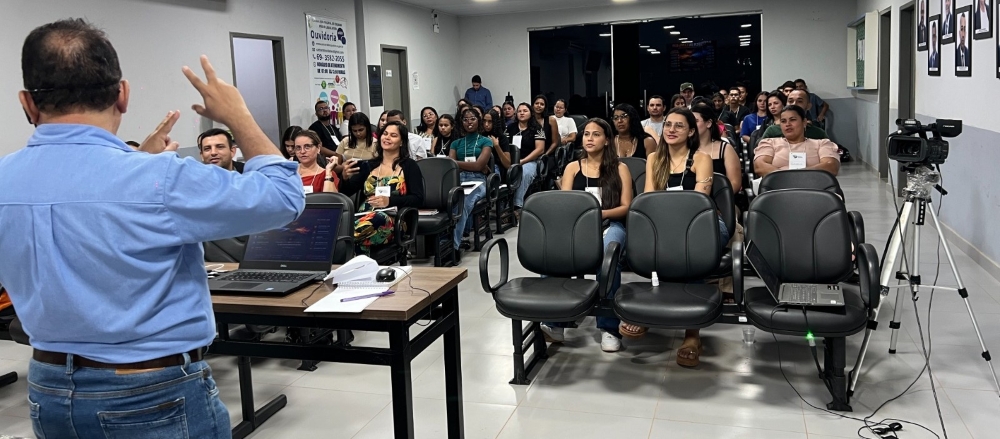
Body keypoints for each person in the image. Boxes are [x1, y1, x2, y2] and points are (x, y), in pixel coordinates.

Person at [0, 19, 305, 438]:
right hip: (151, 393)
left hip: (48, 390)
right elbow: (283, 197)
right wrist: (238, 116)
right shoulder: (160, 179)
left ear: (27, 104)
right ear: (122, 95)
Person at [630, 107, 729, 367]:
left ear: (692, 131)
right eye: (668, 125)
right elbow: (649, 199)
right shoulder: (653, 158)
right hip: (664, 224)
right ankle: (649, 314)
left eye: (679, 126)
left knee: (691, 249)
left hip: (703, 224)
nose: (671, 130)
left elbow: (699, 202)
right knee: (656, 244)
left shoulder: (701, 158)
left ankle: (692, 335)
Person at [540, 118, 632, 353]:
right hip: (578, 227)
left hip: (611, 223)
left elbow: (626, 207)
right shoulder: (573, 167)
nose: (590, 138)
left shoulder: (620, 168)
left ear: (607, 140)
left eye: (596, 134)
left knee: (608, 257)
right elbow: (566, 204)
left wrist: (598, 214)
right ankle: (556, 323)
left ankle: (609, 328)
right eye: (587, 134)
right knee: (555, 256)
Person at [339, 121, 425, 256]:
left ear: (402, 142)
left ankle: (335, 239)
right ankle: (348, 248)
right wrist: (344, 177)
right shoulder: (369, 165)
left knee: (378, 217)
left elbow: (418, 198)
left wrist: (389, 201)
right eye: (385, 134)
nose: (387, 137)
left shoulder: (409, 166)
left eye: (393, 135)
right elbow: (345, 192)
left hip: (393, 220)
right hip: (362, 217)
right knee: (356, 236)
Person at [754, 105, 841, 177]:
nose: (788, 124)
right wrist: (787, 177)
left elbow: (831, 166)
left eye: (793, 120)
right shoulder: (770, 143)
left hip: (814, 188)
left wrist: (798, 175)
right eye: (783, 121)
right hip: (778, 188)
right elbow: (760, 166)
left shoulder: (822, 144)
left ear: (804, 122)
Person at [449, 108, 493, 251]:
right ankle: (448, 239)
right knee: (447, 200)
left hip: (479, 180)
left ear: (478, 121)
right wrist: (469, 166)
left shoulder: (486, 141)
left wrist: (456, 163)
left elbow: (479, 165)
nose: (469, 122)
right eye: (465, 119)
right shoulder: (456, 143)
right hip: (459, 179)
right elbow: (450, 166)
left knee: (464, 202)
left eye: (472, 119)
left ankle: (453, 247)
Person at [506, 102, 547, 213]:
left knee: (523, 172)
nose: (522, 113)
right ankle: (503, 206)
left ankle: (517, 206)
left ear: (531, 113)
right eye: (519, 111)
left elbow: (540, 149)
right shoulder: (510, 128)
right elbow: (505, 146)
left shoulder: (537, 128)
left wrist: (523, 161)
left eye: (525, 111)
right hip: (512, 161)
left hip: (532, 161)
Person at [693, 104, 742, 192]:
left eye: (695, 121)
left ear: (708, 123)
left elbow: (735, 183)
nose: (691, 125)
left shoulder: (726, 149)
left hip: (721, 200)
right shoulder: (685, 148)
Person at [761, 90, 830, 140]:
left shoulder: (818, 133)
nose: (794, 104)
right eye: (790, 101)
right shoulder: (772, 131)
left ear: (808, 106)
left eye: (799, 101)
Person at [483, 109, 513, 184]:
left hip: (497, 168)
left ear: (495, 122)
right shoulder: (480, 136)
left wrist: (496, 146)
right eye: (484, 121)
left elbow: (507, 165)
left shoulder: (502, 138)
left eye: (490, 122)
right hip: (481, 166)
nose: (486, 124)